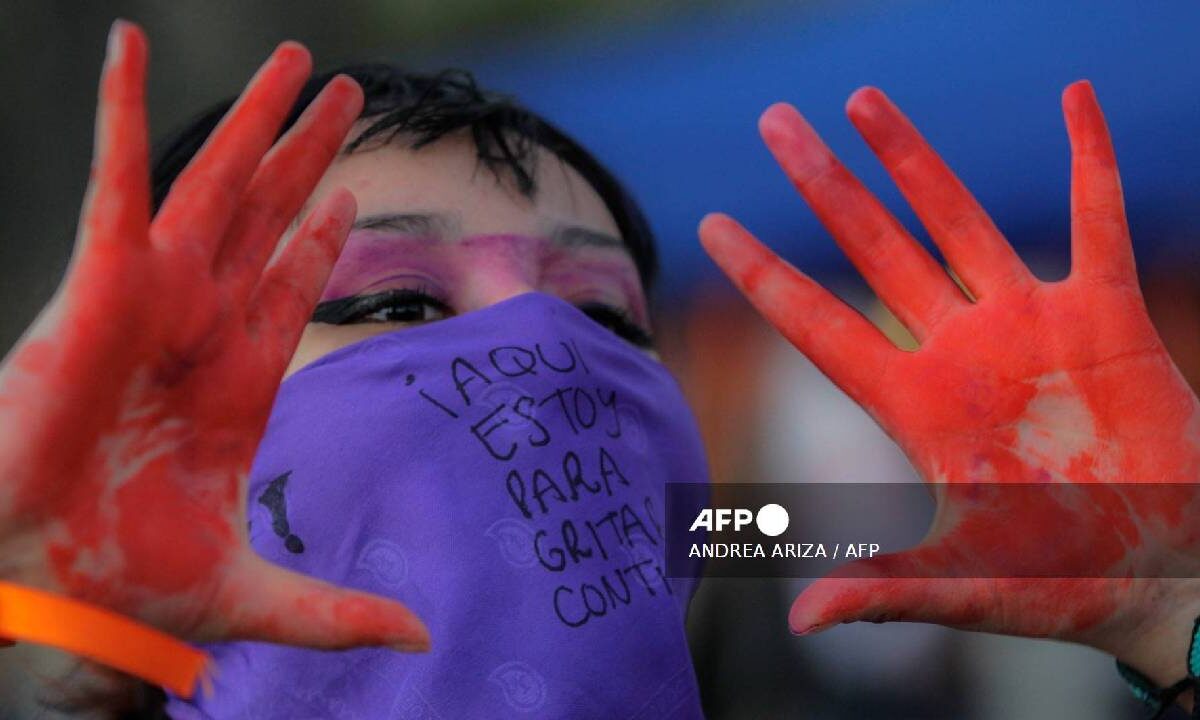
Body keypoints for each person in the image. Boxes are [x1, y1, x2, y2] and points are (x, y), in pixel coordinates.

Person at [1, 18, 1197, 718]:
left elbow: (787, 525)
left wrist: (1171, 602)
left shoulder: (701, 524)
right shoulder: (52, 585)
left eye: (610, 320)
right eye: (394, 301)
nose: (539, 355)